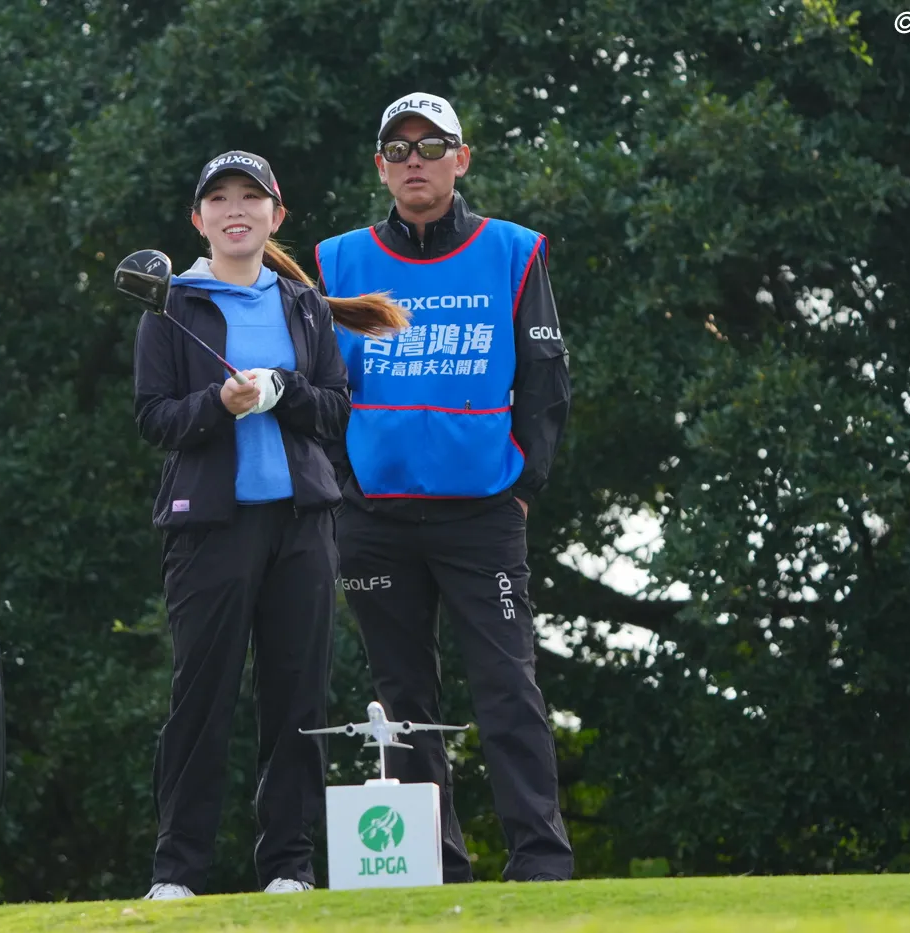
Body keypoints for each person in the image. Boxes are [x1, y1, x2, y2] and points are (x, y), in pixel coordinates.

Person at [314, 93, 575, 883]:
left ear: (461, 159)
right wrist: (344, 487)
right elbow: (318, 389)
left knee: (507, 683)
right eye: (399, 149)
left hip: (483, 514)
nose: (415, 162)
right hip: (375, 516)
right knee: (401, 697)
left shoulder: (513, 251)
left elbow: (547, 380)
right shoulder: (338, 261)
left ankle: (540, 860)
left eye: (432, 147)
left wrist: (522, 487)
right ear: (380, 167)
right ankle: (433, 869)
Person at [133, 151, 406, 899]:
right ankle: (177, 873)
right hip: (208, 529)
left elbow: (335, 409)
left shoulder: (303, 305)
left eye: (250, 198)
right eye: (219, 199)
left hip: (301, 527)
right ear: (199, 220)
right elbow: (154, 417)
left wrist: (283, 389)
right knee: (201, 699)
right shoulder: (171, 304)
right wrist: (216, 406)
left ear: (275, 215)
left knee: (296, 702)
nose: (236, 210)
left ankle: (289, 866)